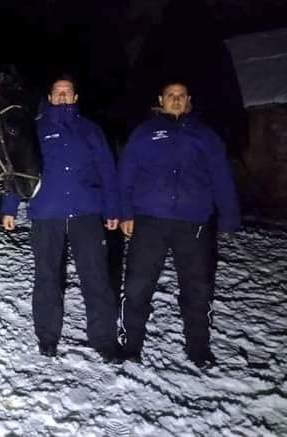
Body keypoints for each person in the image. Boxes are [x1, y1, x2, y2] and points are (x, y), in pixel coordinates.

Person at [118, 81, 240, 367]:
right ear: (161, 99)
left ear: (188, 100)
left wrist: (229, 216)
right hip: (150, 221)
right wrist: (124, 213)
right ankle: (131, 345)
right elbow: (125, 175)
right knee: (137, 287)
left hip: (194, 223)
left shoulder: (206, 136)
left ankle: (198, 349)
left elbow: (222, 176)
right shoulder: (144, 133)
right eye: (170, 95)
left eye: (181, 96)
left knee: (198, 289)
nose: (175, 99)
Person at [1, 76, 122, 362]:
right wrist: (9, 207)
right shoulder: (36, 129)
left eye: (68, 92)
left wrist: (113, 209)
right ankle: (47, 336)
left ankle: (104, 339)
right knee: (47, 277)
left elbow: (107, 170)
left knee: (96, 277)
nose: (64, 96)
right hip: (46, 212)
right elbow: (19, 170)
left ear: (76, 98)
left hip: (87, 212)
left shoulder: (91, 130)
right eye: (58, 92)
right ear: (51, 97)